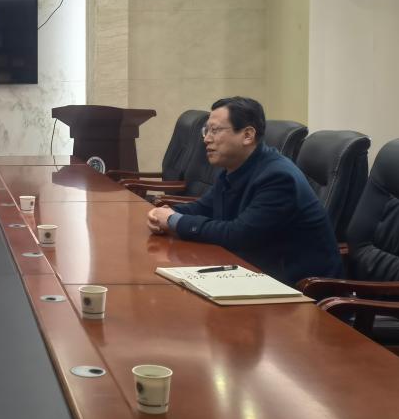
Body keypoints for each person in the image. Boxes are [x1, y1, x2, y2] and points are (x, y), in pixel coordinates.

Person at [146, 96, 343, 286]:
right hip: (255, 273)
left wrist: (174, 220)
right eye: (206, 131)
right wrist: (163, 214)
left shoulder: (278, 177)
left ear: (248, 135)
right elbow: (204, 207)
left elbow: (238, 235)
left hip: (298, 289)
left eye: (215, 130)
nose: (206, 139)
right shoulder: (235, 167)